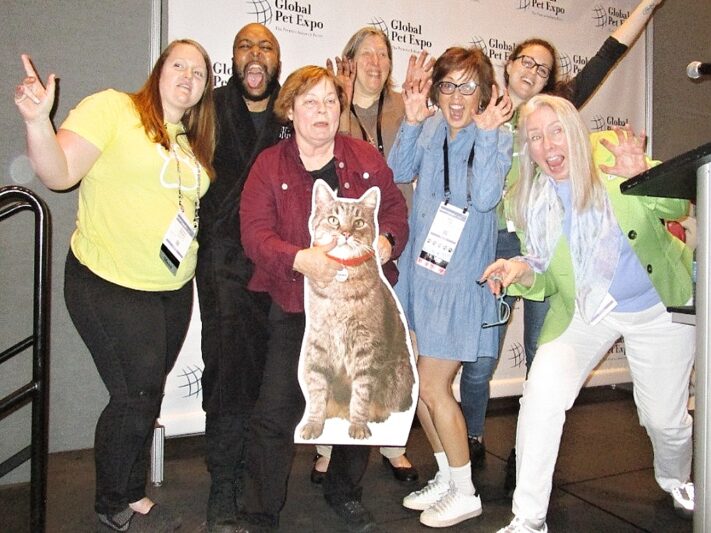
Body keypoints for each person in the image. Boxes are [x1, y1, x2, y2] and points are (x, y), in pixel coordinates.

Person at [458, 0, 668, 479]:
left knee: (541, 349)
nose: (533, 70)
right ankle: (468, 442)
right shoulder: (477, 108)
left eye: (544, 67)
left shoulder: (554, 112)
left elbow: (608, 52)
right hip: (487, 245)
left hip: (544, 248)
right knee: (481, 355)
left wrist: (647, 6)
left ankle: (526, 451)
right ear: (507, 65)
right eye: (526, 61)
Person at [14, 40, 215, 532]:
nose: (189, 76)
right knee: (135, 393)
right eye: (179, 65)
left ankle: (130, 490)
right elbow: (58, 173)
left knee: (145, 394)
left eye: (200, 72)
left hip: (171, 289)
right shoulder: (113, 107)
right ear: (159, 69)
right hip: (109, 282)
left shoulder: (187, 140)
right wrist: (38, 121)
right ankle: (112, 500)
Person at [482, 94, 695, 533]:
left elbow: (677, 208)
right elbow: (543, 273)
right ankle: (528, 518)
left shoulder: (612, 156)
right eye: (535, 136)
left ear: (574, 130)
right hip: (584, 310)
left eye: (555, 130)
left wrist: (645, 176)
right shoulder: (527, 195)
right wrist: (519, 270)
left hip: (658, 307)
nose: (547, 145)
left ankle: (676, 480)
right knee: (540, 397)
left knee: (665, 421)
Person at [239, 65, 408, 532]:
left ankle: (344, 492)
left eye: (330, 102)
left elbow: (393, 208)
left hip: (362, 304)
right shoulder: (269, 165)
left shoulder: (363, 157)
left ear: (341, 108)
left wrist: (388, 241)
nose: (322, 111)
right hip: (297, 304)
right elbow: (254, 235)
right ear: (290, 110)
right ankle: (260, 510)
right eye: (309, 102)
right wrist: (299, 259)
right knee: (275, 412)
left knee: (360, 400)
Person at [387, 46, 513, 527]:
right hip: (419, 278)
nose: (457, 97)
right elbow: (398, 172)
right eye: (448, 85)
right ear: (436, 89)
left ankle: (466, 492)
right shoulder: (431, 125)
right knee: (420, 388)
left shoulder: (494, 136)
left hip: (460, 282)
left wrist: (484, 139)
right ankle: (446, 474)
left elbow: (483, 199)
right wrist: (414, 121)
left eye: (468, 87)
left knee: (436, 387)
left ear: (483, 94)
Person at [311, 26, 433, 486]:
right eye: (367, 53)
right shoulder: (332, 107)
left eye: (384, 54)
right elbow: (323, 162)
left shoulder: (406, 107)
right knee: (338, 346)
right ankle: (326, 448)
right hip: (345, 247)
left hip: (395, 241)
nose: (377, 62)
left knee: (398, 344)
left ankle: (394, 444)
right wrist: (338, 103)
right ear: (350, 60)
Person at [195, 23, 289, 533]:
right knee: (227, 372)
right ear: (233, 57)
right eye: (244, 46)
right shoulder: (207, 107)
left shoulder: (290, 113)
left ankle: (259, 481)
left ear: (278, 58)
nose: (255, 56)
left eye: (265, 47)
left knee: (273, 381)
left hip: (279, 265)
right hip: (224, 265)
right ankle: (223, 480)